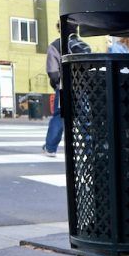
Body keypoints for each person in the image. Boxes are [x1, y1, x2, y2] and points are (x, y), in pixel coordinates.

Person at [43, 24, 91, 157]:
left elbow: (53, 72)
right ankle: (89, 149)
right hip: (83, 88)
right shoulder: (83, 45)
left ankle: (50, 148)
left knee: (60, 117)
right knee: (85, 118)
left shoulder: (56, 45)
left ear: (60, 29)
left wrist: (56, 85)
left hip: (65, 88)